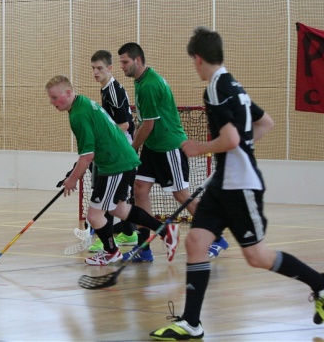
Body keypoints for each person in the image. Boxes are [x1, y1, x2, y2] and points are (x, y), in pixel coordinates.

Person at [149, 27, 324, 340]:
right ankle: (191, 323)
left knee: (257, 257)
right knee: (196, 242)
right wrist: (235, 154)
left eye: (192, 61)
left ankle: (323, 283)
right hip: (222, 184)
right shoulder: (233, 85)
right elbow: (265, 124)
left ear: (197, 59)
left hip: (241, 186)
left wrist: (201, 147)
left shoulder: (215, 88)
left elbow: (232, 138)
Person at [46, 75, 179, 266]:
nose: (52, 103)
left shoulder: (78, 115)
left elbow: (87, 156)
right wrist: (74, 173)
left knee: (94, 215)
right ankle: (166, 231)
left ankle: (111, 252)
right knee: (118, 208)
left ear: (68, 93)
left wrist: (73, 179)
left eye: (54, 97)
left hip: (115, 164)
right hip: (121, 161)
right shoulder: (81, 103)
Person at [118, 42, 227, 263]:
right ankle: (144, 249)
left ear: (137, 60)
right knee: (140, 190)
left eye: (125, 62)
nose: (122, 66)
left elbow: (147, 125)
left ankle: (217, 237)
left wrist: (131, 151)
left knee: (181, 195)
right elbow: (145, 124)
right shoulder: (141, 81)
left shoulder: (149, 85)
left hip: (168, 147)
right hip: (153, 146)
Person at [87, 50, 138, 252]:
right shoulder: (106, 89)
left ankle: (105, 237)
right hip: (114, 151)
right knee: (116, 198)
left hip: (118, 153)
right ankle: (128, 233)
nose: (96, 72)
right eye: (93, 69)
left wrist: (103, 143)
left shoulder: (113, 91)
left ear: (109, 68)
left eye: (100, 68)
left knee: (105, 194)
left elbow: (124, 124)